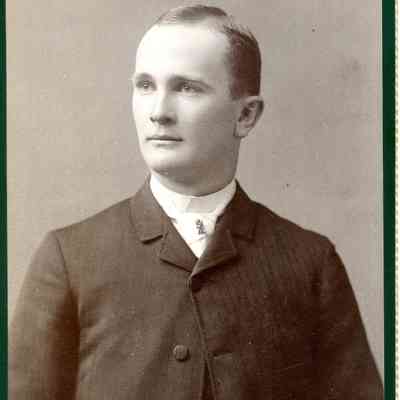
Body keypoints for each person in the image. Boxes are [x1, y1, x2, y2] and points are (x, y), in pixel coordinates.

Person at [9, 5, 382, 400]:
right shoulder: (71, 257)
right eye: (145, 85)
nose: (158, 112)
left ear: (246, 115)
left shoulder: (309, 264)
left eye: (187, 88)